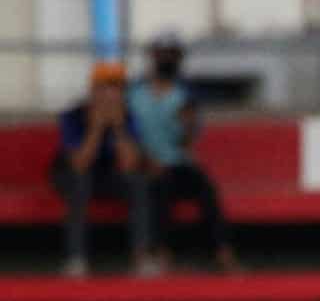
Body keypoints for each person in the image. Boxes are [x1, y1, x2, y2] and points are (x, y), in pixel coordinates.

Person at [127, 31, 237, 273]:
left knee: (205, 186)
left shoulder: (186, 94)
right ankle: (163, 253)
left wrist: (187, 125)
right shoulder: (134, 92)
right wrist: (145, 158)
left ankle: (223, 252)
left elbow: (187, 142)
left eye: (172, 54)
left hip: (177, 163)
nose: (167, 59)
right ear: (153, 57)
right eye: (162, 54)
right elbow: (126, 132)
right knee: (159, 185)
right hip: (144, 163)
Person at [50, 62, 150, 278]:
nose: (112, 94)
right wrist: (96, 128)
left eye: (117, 88)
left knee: (139, 183)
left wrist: (119, 128)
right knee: (80, 181)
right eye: (106, 87)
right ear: (93, 90)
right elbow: (79, 163)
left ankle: (141, 257)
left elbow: (130, 165)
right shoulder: (73, 116)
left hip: (105, 175)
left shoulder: (127, 117)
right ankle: (76, 259)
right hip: (70, 175)